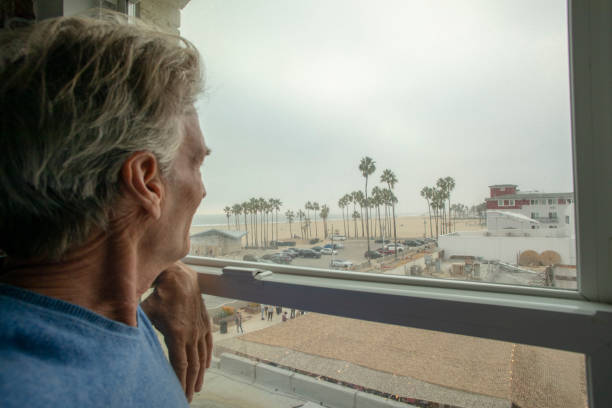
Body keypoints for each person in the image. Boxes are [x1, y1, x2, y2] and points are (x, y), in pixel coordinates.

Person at [0, 13, 212, 407]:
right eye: (196, 162)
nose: (202, 191)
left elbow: (110, 239)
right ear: (148, 181)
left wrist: (168, 271)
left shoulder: (114, 308)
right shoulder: (25, 391)